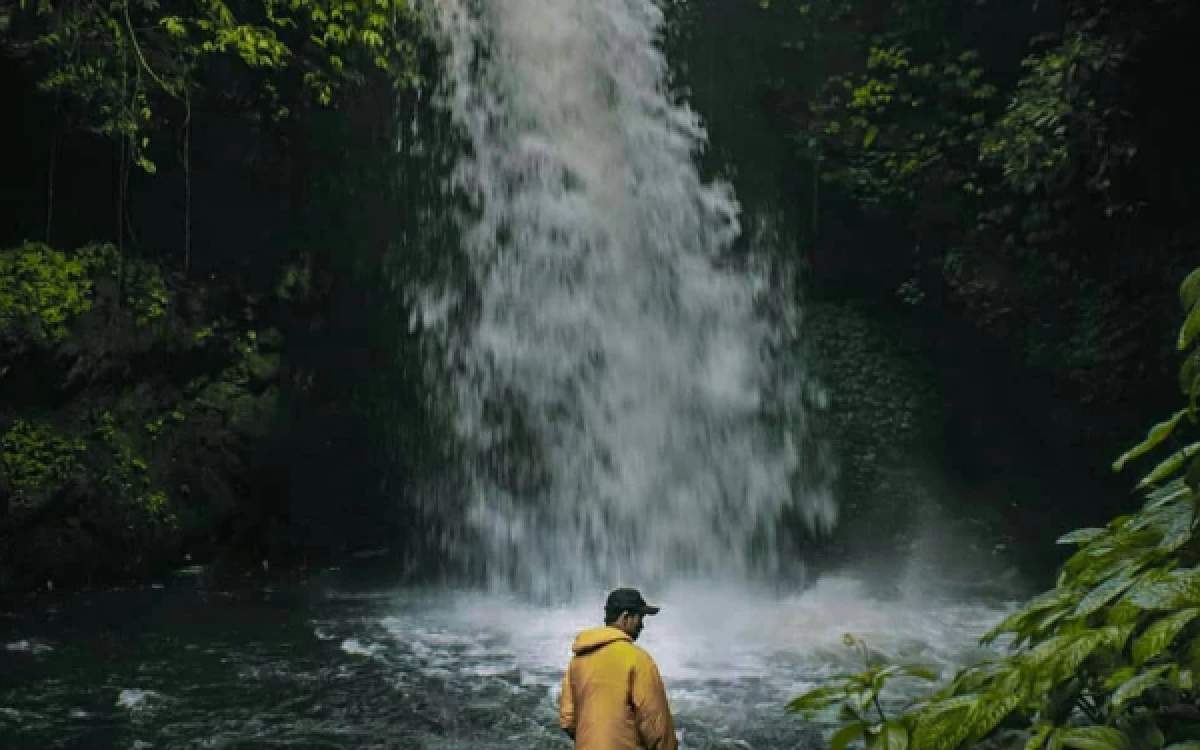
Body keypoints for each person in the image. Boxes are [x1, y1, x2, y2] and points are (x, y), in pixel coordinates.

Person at [559, 588, 677, 750]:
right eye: (640, 617)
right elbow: (657, 726)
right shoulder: (639, 659)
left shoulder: (577, 660)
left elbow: (568, 720)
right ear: (625, 617)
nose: (642, 625)